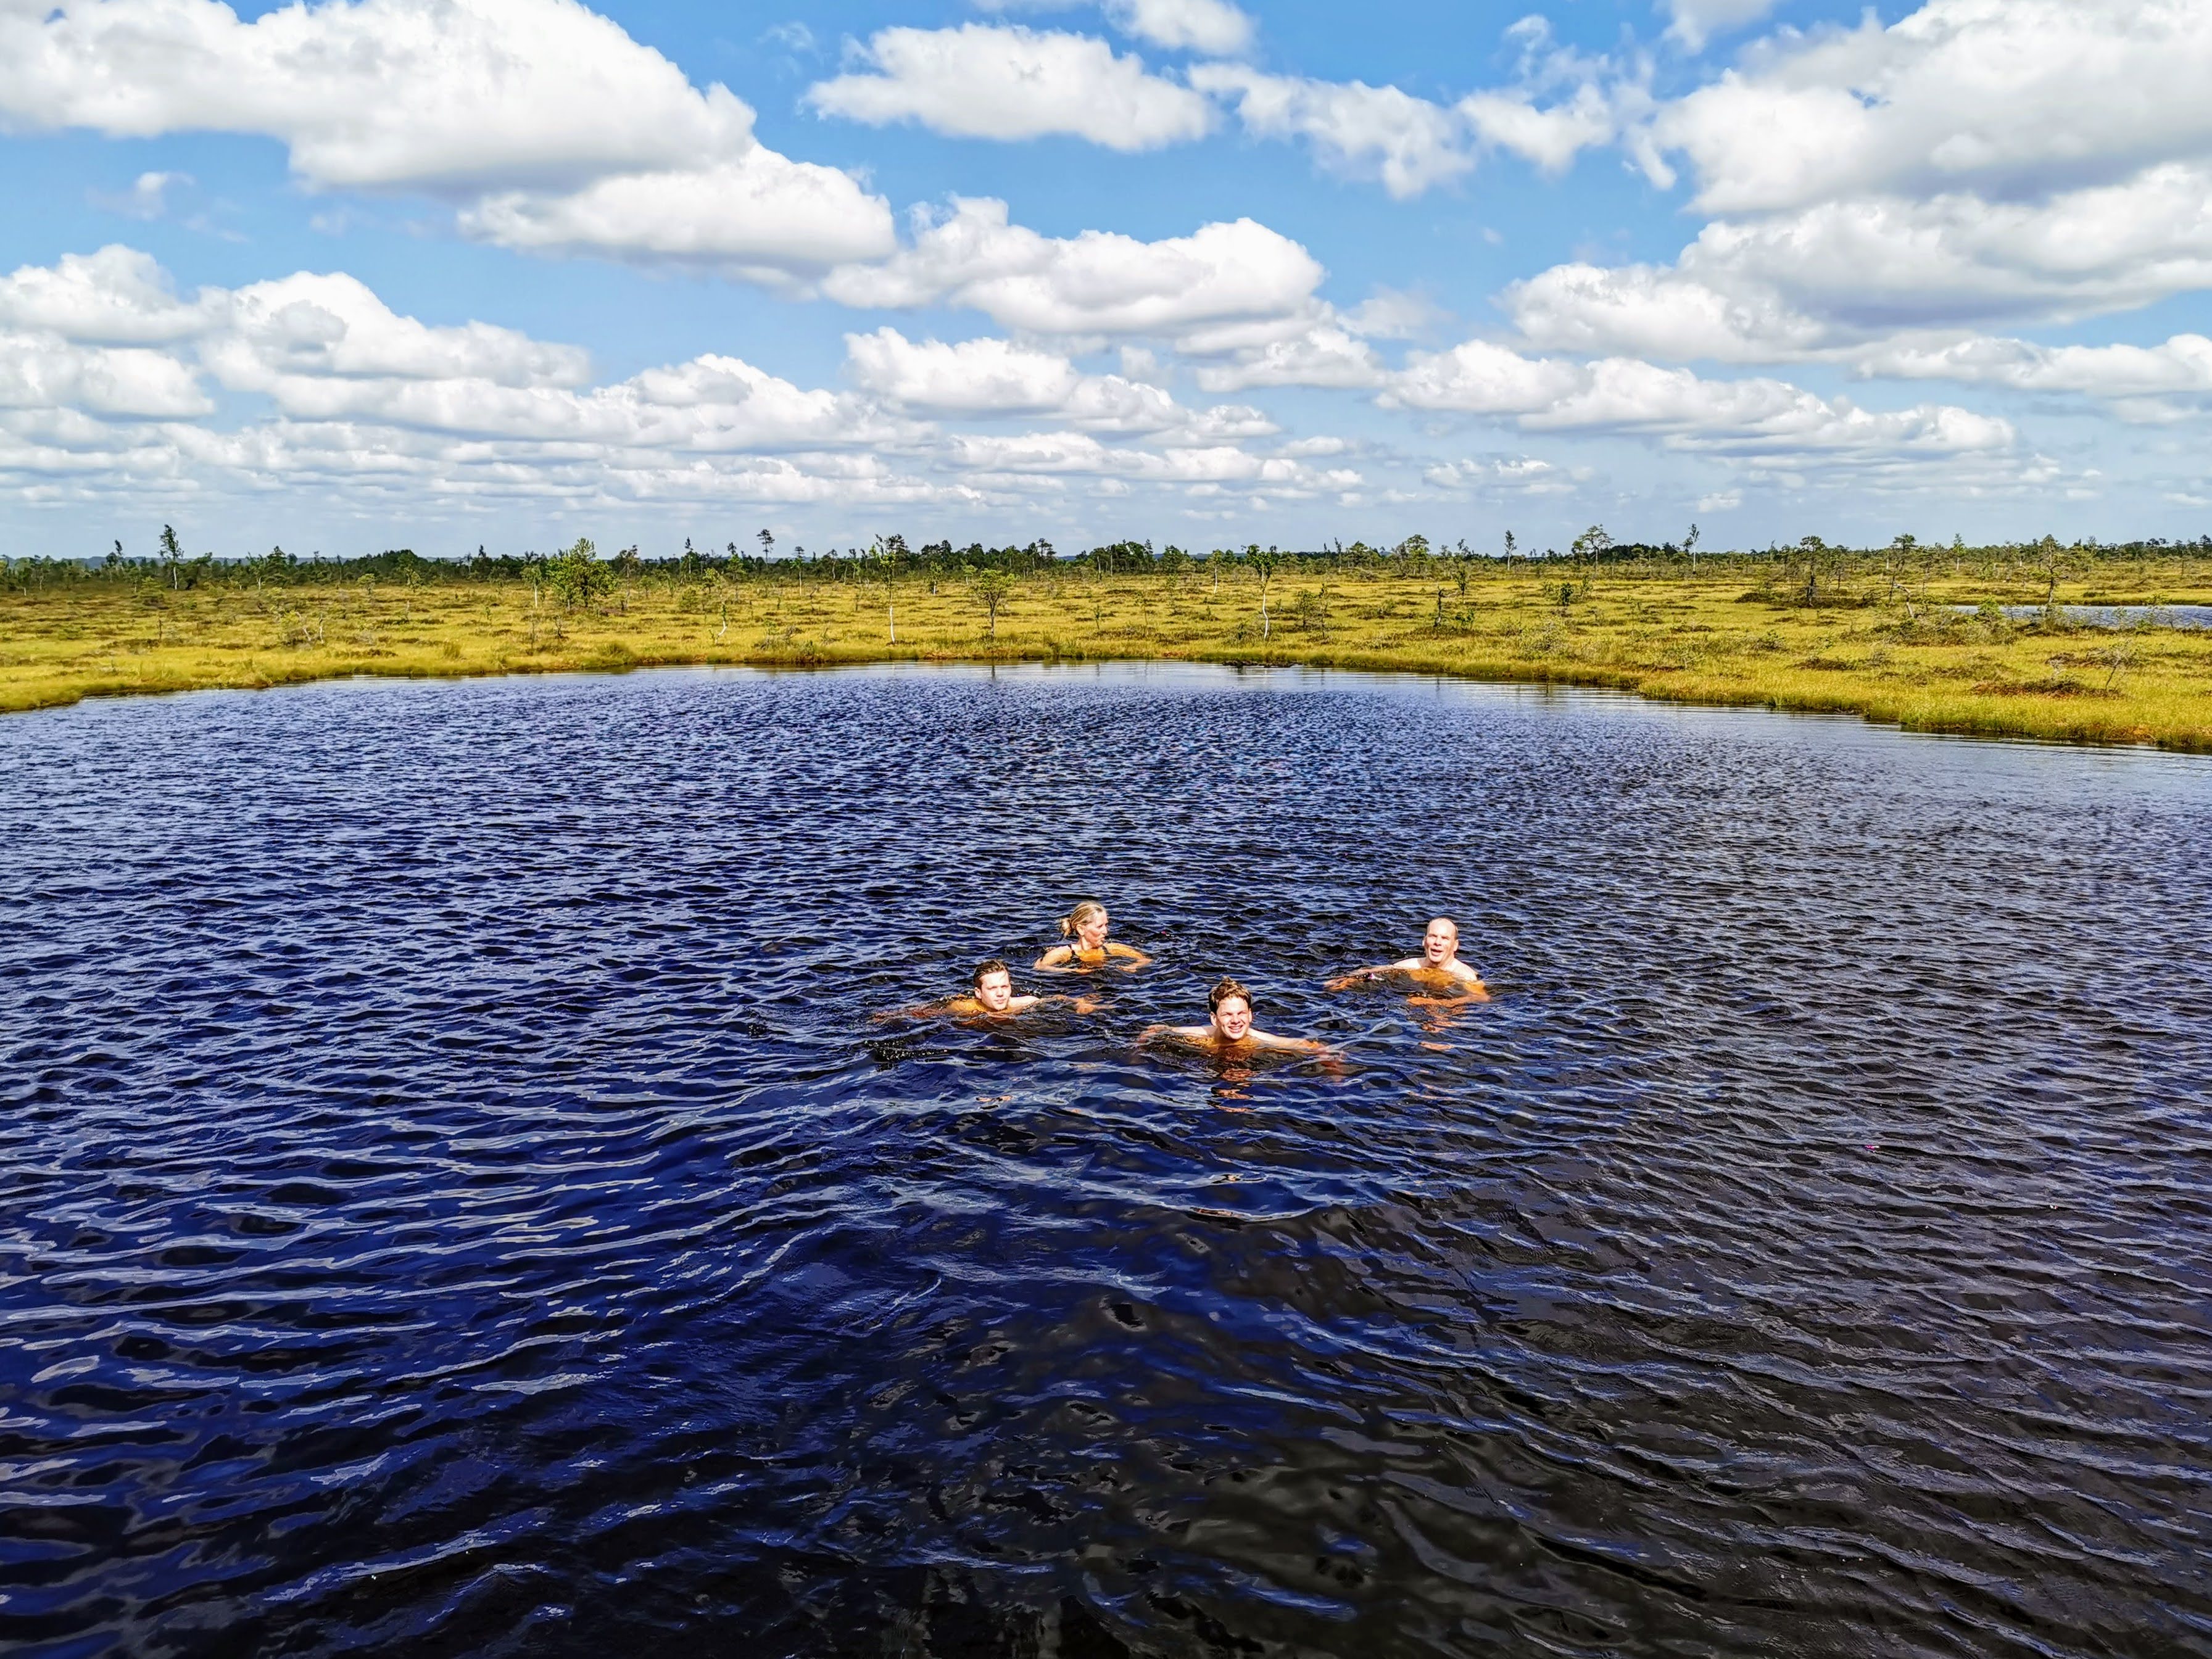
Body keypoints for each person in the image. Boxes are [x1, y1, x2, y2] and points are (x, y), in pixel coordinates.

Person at [1138, 977, 1332, 1057]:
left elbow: (1310, 1045)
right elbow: (1157, 1029)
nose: (1236, 1020)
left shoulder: (1259, 1041)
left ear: (1250, 1015)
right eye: (1228, 1015)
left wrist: (1332, 1065)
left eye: (1241, 1014)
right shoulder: (1199, 1036)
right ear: (1214, 1019)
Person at [1327, 917, 1489, 1001]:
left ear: (1455, 946)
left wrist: (1436, 1004)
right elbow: (1378, 971)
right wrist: (1346, 980)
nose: (1438, 943)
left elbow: (1481, 999)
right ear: (1424, 941)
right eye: (1433, 936)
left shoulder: (1465, 975)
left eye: (1445, 938)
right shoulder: (1413, 965)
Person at [881, 959, 1096, 1022]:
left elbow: (1056, 998)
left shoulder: (1022, 1002)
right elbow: (926, 1013)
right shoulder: (965, 1007)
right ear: (979, 993)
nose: (1001, 993)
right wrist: (891, 1017)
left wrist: (1080, 1003)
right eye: (993, 988)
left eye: (1005, 986)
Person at [1034, 900, 1152, 974]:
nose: (1106, 931)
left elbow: (1146, 959)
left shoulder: (1112, 949)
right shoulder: (1065, 953)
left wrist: (1132, 966)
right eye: (1099, 926)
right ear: (1081, 929)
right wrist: (1072, 971)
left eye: (1106, 925)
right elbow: (1041, 967)